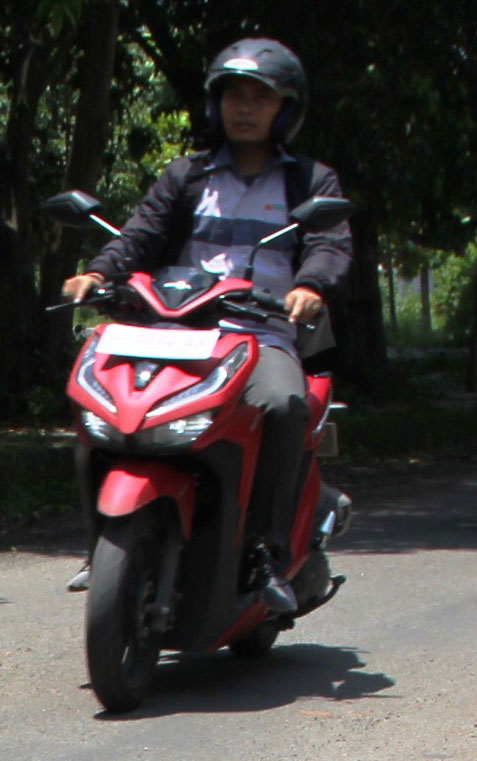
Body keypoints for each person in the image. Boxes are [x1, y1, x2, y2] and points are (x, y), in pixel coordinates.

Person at [56, 38, 350, 611]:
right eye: (234, 95)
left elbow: (329, 244)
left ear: (284, 108)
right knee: (95, 396)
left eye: (260, 98)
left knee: (284, 405)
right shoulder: (187, 175)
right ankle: (102, 543)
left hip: (258, 333)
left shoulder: (310, 182)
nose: (245, 108)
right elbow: (140, 233)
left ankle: (265, 554)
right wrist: (97, 274)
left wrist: (311, 286)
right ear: (216, 104)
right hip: (174, 328)